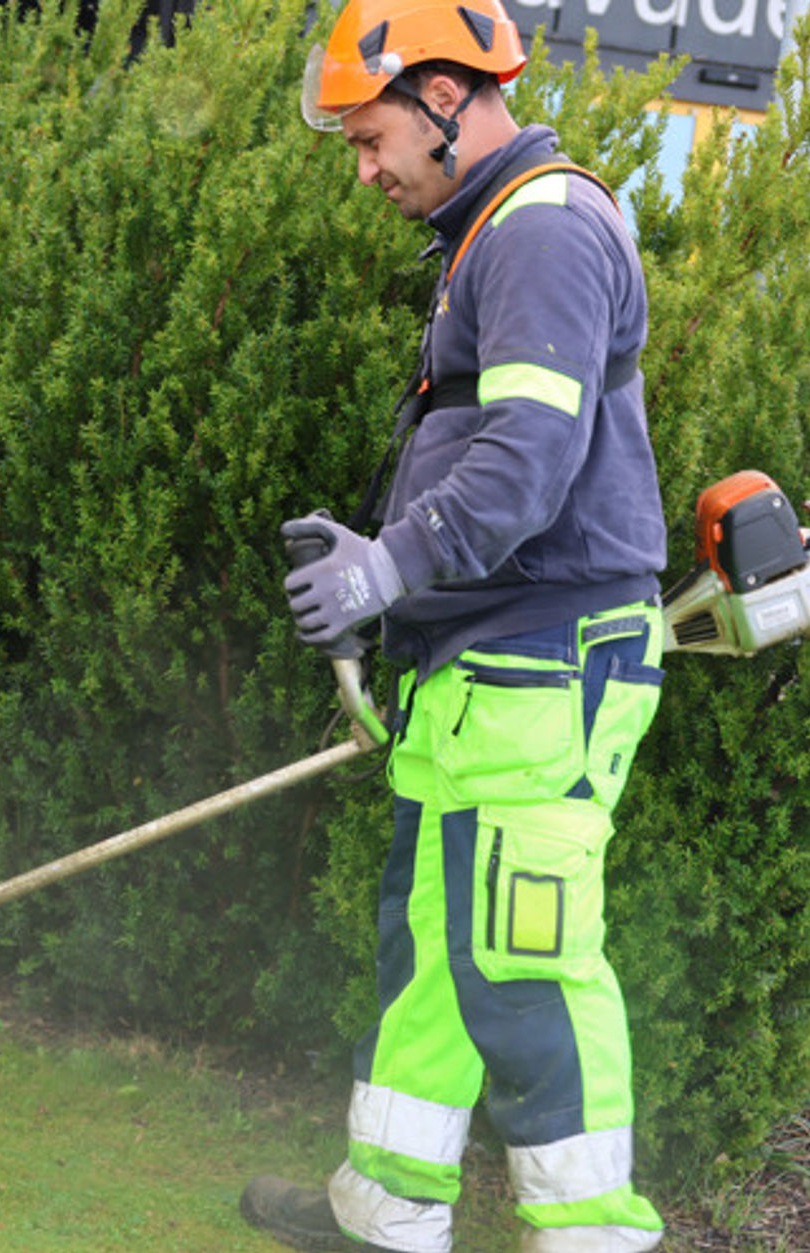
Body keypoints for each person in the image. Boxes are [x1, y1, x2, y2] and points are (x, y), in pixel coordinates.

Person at [239, 1, 669, 1251]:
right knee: (435, 947)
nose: (365, 171)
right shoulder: (490, 230)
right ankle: (387, 1207)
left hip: (545, 661)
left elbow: (529, 460)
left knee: (526, 962)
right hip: (485, 665)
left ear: (442, 96)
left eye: (371, 139)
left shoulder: (543, 229)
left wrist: (386, 569)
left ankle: (593, 1234)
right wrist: (386, 575)